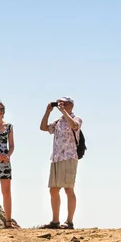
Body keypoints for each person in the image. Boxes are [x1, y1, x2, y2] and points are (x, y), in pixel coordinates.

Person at [39, 96, 83, 229]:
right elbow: (43, 128)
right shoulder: (58, 121)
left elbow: (74, 126)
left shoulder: (76, 118)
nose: (60, 104)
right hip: (56, 158)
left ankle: (69, 222)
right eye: (59, 103)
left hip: (69, 157)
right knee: (53, 190)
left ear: (71, 105)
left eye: (63, 103)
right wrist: (48, 111)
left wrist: (64, 112)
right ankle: (55, 221)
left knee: (69, 189)